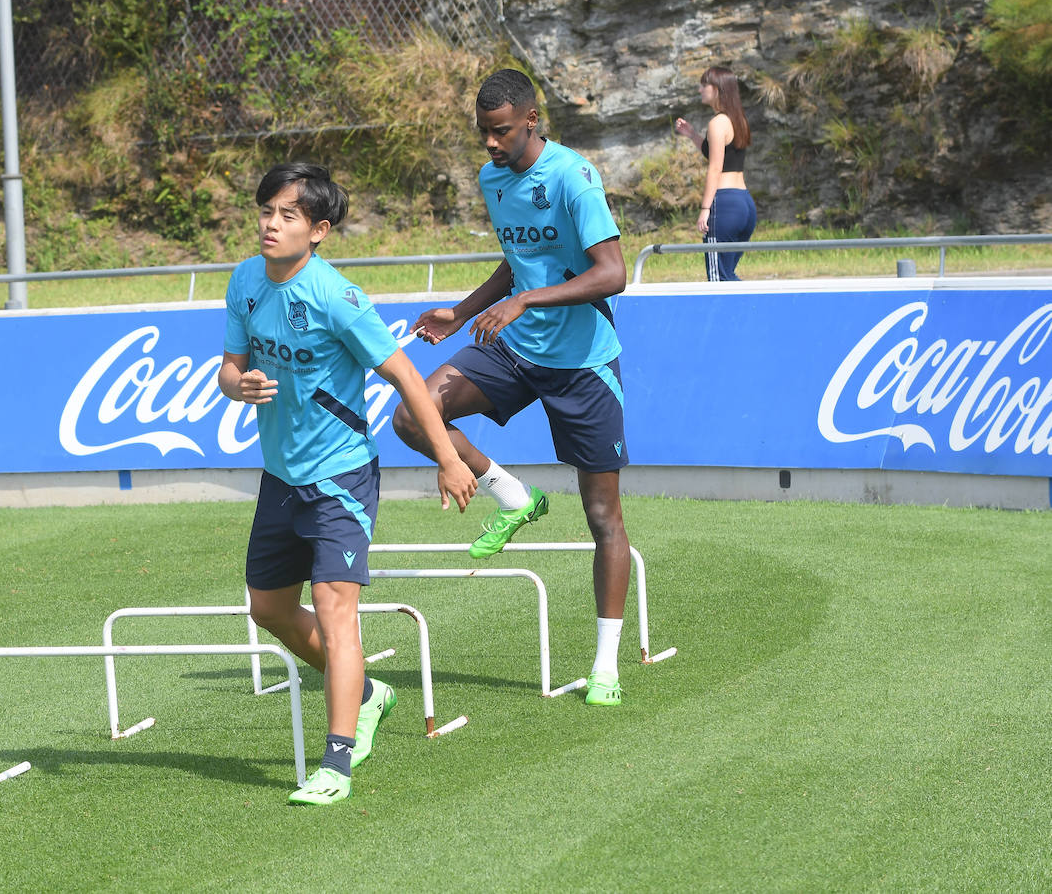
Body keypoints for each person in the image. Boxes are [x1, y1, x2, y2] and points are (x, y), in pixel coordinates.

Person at [220, 162, 476, 806]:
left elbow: (408, 379)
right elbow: (229, 367)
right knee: (268, 609)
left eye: (287, 215)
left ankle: (335, 763)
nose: (270, 224)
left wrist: (447, 458)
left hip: (340, 478)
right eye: (266, 211)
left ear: (319, 230)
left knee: (338, 617)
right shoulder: (246, 280)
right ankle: (367, 693)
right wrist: (238, 385)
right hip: (280, 477)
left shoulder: (338, 298)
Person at [392, 68, 633, 707]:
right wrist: (464, 311)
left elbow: (612, 274)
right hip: (515, 348)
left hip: (583, 361)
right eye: (483, 134)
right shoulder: (492, 179)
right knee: (414, 413)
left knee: (603, 516)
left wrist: (527, 300)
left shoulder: (573, 177)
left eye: (500, 132)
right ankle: (512, 495)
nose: (491, 146)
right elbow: (517, 259)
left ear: (531, 119)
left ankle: (605, 664)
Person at [674, 65, 757, 282]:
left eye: (704, 85)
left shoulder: (717, 123)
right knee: (727, 274)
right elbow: (722, 156)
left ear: (717, 89)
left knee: (718, 279)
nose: (700, 90)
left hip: (725, 205)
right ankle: (750, 313)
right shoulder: (738, 120)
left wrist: (705, 209)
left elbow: (715, 168)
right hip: (744, 205)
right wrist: (692, 135)